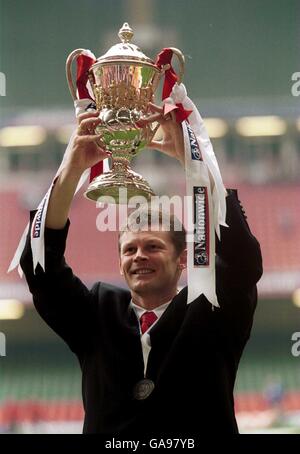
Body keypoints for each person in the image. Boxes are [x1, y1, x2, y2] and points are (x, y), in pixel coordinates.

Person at [20, 103, 263, 434]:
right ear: (119, 265)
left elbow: (242, 260)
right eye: (129, 250)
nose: (139, 256)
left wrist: (192, 161)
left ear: (182, 259)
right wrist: (72, 168)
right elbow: (40, 268)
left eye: (153, 247)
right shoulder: (98, 313)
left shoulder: (211, 308)